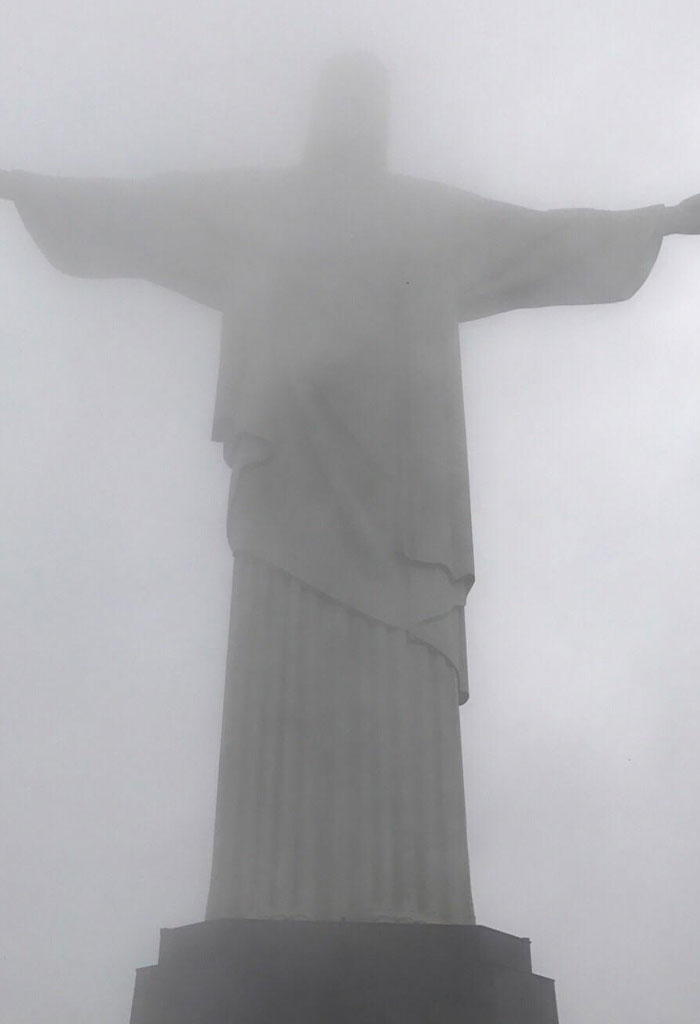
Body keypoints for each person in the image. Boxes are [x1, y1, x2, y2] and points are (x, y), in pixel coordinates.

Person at [2, 51, 699, 926]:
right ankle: (268, 903)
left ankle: (414, 907)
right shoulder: (258, 207)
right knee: (288, 681)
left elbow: (544, 239)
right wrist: (26, 185)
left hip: (405, 513)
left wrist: (662, 222)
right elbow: (142, 211)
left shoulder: (426, 220)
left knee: (396, 689)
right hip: (295, 501)